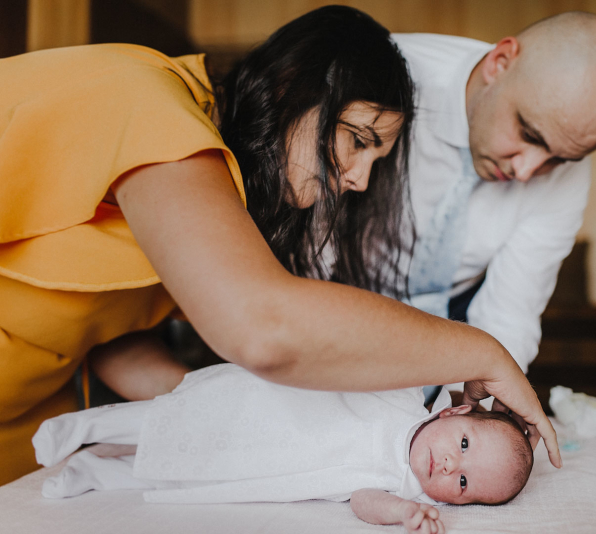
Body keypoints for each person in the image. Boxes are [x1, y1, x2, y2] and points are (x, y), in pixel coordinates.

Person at [0, 5, 561, 485]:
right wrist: (481, 352)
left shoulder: (229, 198)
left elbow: (112, 337)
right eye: (357, 140)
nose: (359, 179)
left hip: (23, 430)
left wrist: (239, 423)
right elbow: (263, 328)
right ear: (293, 86)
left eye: (376, 159)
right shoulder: (144, 103)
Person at [391, 12, 596, 399]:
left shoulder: (569, 169)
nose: (526, 172)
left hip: (458, 308)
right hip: (345, 295)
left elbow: (510, 315)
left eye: (558, 158)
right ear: (500, 63)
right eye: (529, 133)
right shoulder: (385, 77)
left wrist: (464, 413)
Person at [33, 364, 533, 534]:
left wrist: (403, 513)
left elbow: (362, 502)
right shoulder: (407, 398)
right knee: (178, 420)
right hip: (265, 406)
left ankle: (94, 474)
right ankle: (87, 426)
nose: (449, 465)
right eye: (463, 444)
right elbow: (386, 355)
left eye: (463, 482)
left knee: (184, 471)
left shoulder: (404, 487)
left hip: (264, 463)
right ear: (451, 413)